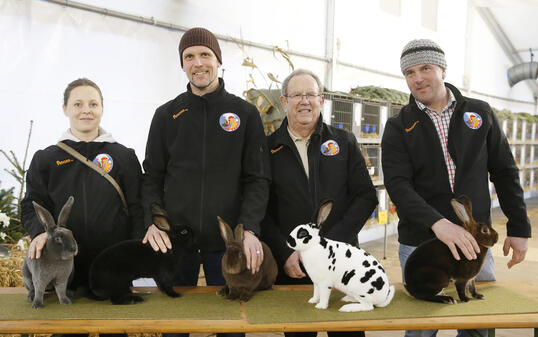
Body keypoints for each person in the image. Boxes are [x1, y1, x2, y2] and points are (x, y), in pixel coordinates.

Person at [381, 39, 532, 337]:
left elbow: (504, 171)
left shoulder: (479, 113)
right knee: (422, 327)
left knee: (477, 321)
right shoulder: (399, 126)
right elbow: (398, 185)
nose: (418, 78)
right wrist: (438, 224)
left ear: (443, 69)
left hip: (475, 243)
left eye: (425, 68)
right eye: (409, 73)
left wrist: (519, 228)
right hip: (421, 243)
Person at [141, 27, 270, 337]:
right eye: (189, 56)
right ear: (182, 64)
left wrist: (250, 228)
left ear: (218, 60)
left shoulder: (245, 114)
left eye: (205, 55)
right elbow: (152, 177)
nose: (197, 63)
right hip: (177, 243)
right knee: (175, 328)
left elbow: (258, 178)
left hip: (227, 248)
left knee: (230, 328)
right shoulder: (166, 115)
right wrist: (153, 220)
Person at [21, 78, 144, 337]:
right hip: (64, 275)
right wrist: (39, 233)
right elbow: (31, 206)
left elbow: (137, 207)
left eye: (93, 104)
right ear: (65, 108)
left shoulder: (124, 156)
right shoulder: (47, 158)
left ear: (102, 109)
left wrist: (132, 259)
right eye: (77, 104)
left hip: (112, 272)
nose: (85, 110)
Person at [262, 69, 378, 337]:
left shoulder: (343, 142)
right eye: (296, 95)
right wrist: (286, 251)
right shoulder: (267, 148)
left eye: (311, 94)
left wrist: (330, 247)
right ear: (283, 102)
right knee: (300, 331)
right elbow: (262, 209)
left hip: (343, 264)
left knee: (347, 331)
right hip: (295, 267)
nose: (304, 101)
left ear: (322, 99)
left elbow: (365, 196)